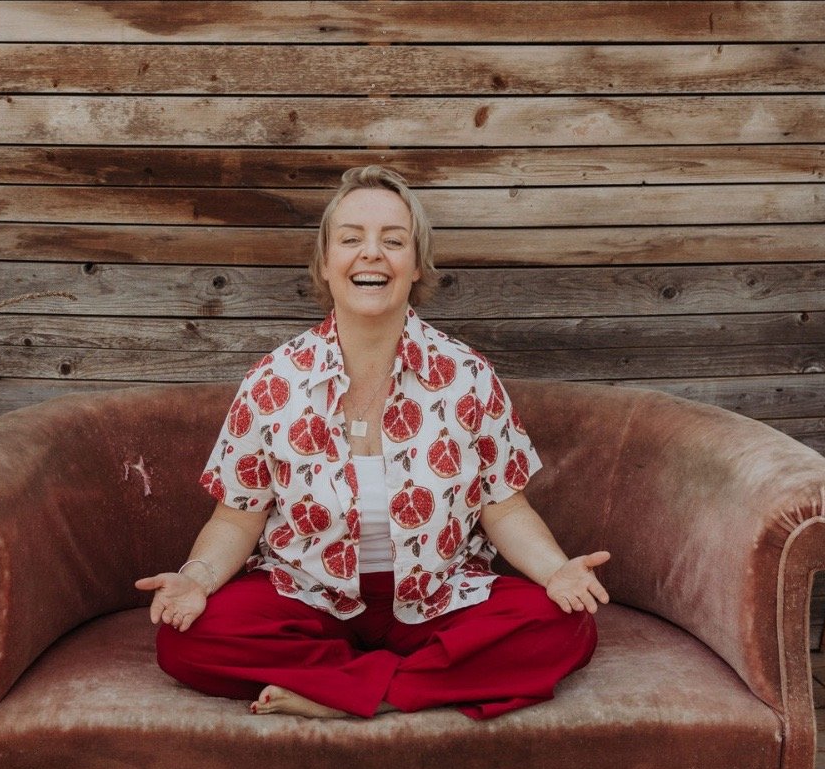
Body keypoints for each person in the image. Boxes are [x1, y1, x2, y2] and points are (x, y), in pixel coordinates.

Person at [137, 166, 606, 720]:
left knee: (565, 626)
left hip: (437, 596)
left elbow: (503, 506)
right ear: (325, 262)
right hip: (307, 593)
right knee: (185, 639)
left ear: (415, 264)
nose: (372, 254)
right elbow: (237, 519)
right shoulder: (272, 382)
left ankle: (353, 693)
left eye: (393, 240)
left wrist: (556, 572)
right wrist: (195, 579)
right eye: (352, 238)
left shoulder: (468, 377)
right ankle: (394, 685)